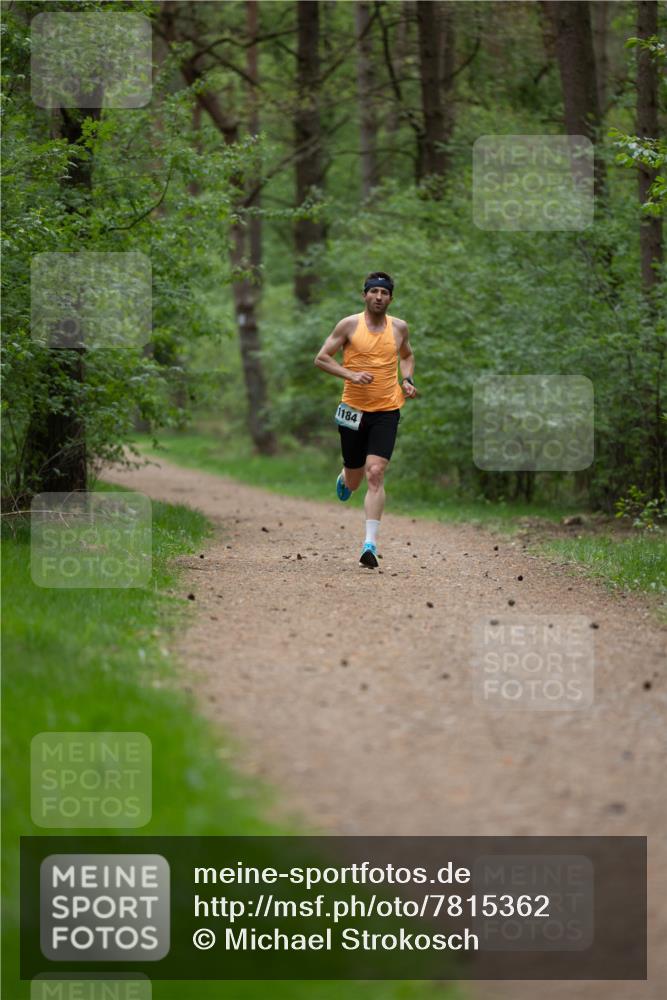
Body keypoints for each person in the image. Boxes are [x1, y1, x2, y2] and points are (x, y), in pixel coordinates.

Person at [314, 271, 417, 568]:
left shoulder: (399, 327)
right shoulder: (348, 325)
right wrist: (351, 374)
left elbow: (407, 356)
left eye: (384, 293)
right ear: (365, 295)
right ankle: (345, 476)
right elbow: (321, 358)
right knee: (355, 479)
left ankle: (369, 544)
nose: (379, 297)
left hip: (387, 409)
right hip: (353, 410)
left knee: (375, 472)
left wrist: (407, 379)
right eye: (374, 292)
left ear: (390, 299)